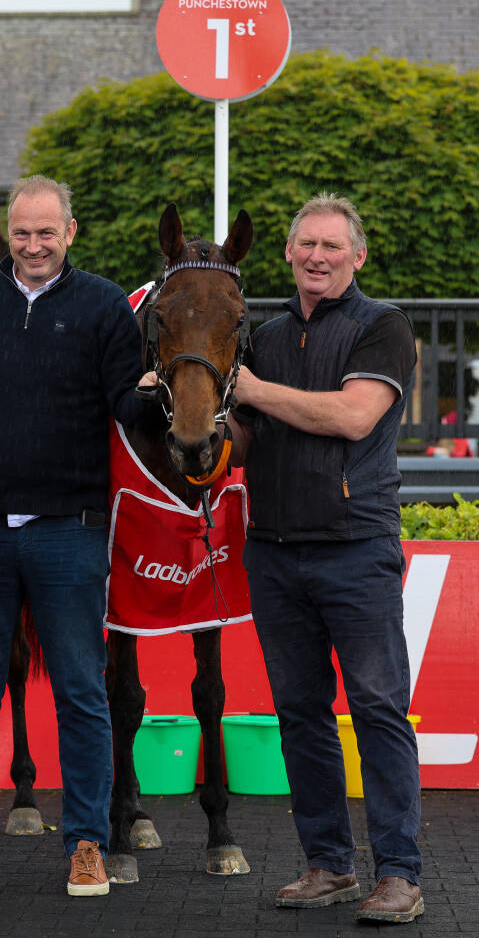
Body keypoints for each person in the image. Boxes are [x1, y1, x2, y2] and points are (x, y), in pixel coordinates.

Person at [0, 174, 153, 897]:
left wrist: (165, 391)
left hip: (70, 531)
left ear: (70, 233)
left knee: (82, 693)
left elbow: (127, 406)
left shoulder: (104, 305)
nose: (33, 245)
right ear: (8, 232)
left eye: (46, 233)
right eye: (22, 232)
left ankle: (86, 843)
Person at [229, 193, 424, 924]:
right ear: (287, 252)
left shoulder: (383, 326)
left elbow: (352, 416)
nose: (317, 256)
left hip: (357, 550)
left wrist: (249, 389)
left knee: (377, 709)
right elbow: (242, 442)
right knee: (301, 713)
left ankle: (399, 874)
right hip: (274, 553)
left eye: (332, 246)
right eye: (306, 244)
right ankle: (328, 865)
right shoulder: (265, 335)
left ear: (357, 256)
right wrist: (194, 411)